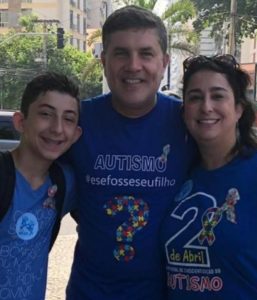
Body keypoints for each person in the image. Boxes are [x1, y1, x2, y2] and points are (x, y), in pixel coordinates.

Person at [66, 5, 196, 300]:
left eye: (146, 53)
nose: (133, 65)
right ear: (104, 61)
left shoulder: (188, 121)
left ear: (163, 62)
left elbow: (234, 155)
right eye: (121, 53)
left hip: (166, 292)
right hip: (89, 291)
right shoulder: (77, 121)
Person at [162, 54, 257, 299]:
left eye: (218, 96)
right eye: (195, 97)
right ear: (184, 110)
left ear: (239, 109)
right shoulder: (176, 173)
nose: (206, 106)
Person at [0, 72, 82, 300]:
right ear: (20, 121)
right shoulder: (4, 175)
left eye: (68, 119)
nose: (57, 128)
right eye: (46, 114)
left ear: (76, 134)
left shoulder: (65, 183)